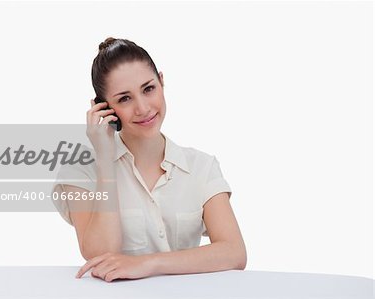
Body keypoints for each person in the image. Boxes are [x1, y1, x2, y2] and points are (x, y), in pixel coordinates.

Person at [52, 37, 247, 283]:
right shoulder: (80, 171)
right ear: (104, 108)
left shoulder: (201, 167)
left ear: (162, 82)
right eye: (124, 98)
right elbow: (100, 255)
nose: (143, 108)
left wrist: (146, 264)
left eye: (148, 88)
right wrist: (104, 158)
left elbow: (234, 252)